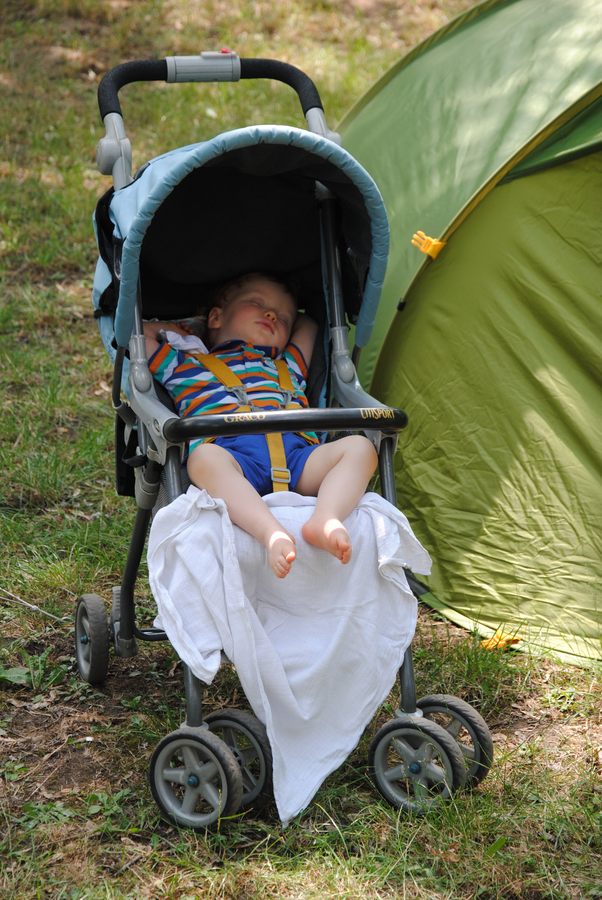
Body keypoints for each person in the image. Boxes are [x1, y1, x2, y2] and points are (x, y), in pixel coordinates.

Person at [144, 272, 378, 579]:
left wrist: (294, 314)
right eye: (257, 303)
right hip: (233, 456)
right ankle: (270, 532)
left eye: (282, 317)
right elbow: (139, 335)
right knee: (203, 459)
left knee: (360, 447)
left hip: (299, 457)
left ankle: (326, 517)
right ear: (216, 317)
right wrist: (191, 328)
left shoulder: (288, 364)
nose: (271, 314)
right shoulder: (184, 365)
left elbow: (310, 324)